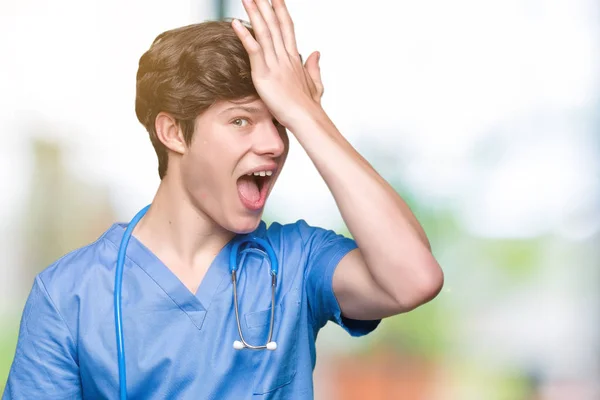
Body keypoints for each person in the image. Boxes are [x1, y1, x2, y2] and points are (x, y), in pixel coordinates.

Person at [2, 0, 444, 398]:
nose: (274, 143)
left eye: (280, 122)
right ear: (173, 132)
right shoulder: (68, 296)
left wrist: (308, 115)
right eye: (241, 120)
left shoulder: (297, 262)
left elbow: (413, 279)